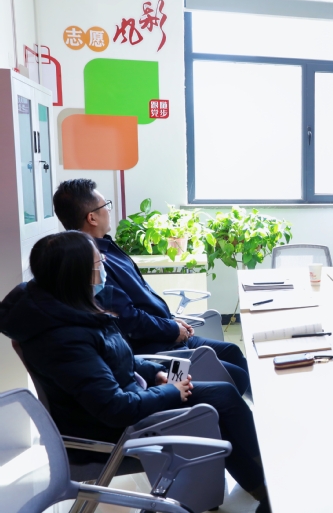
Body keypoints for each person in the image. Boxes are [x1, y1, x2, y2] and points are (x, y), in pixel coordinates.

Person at [0, 231, 272, 511]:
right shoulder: (63, 337)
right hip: (113, 431)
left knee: (221, 396)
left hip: (129, 398)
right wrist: (170, 392)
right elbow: (115, 408)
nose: (104, 269)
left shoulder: (69, 310)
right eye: (98, 264)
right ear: (76, 274)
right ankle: (269, 481)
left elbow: (118, 358)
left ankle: (263, 485)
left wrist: (155, 373)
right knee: (219, 402)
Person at [52, 179, 251, 396]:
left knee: (232, 352)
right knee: (235, 378)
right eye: (105, 206)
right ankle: (197, 406)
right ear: (92, 217)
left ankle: (254, 408)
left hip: (167, 335)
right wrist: (172, 329)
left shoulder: (107, 249)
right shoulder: (93, 264)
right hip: (158, 353)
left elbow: (142, 301)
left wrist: (172, 321)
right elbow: (128, 320)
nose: (109, 210)